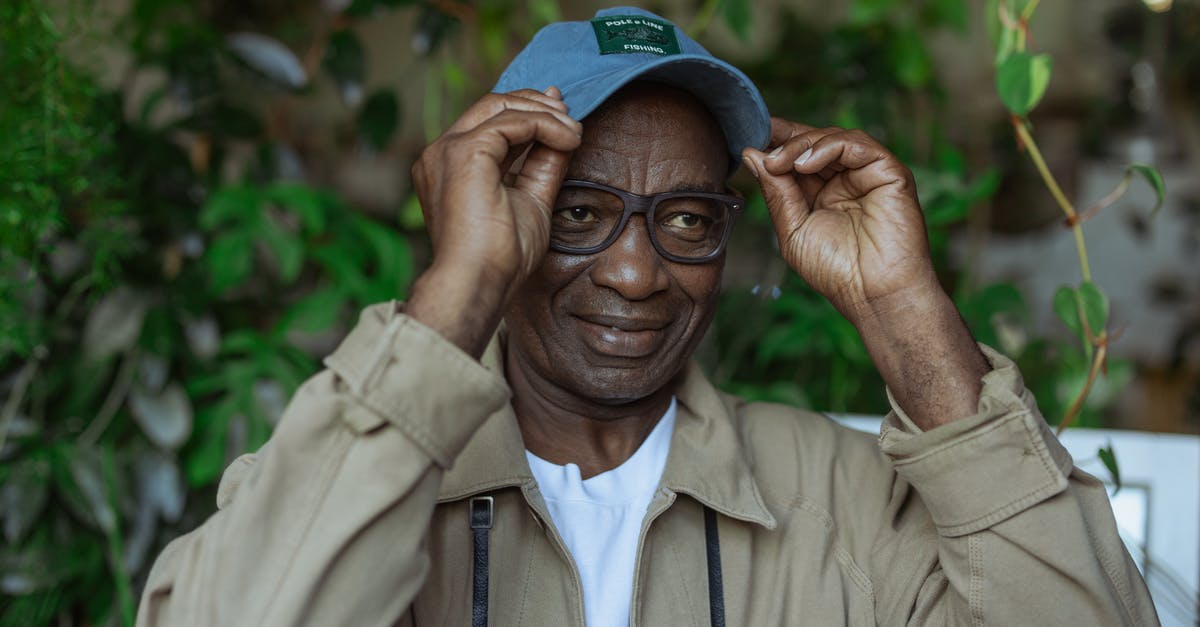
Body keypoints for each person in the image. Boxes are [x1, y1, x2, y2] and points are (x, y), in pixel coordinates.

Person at [137, 6, 1158, 626]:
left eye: (685, 219)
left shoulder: (841, 506)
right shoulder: (364, 485)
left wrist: (903, 309)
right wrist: (456, 291)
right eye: (579, 213)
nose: (636, 272)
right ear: (501, 219)